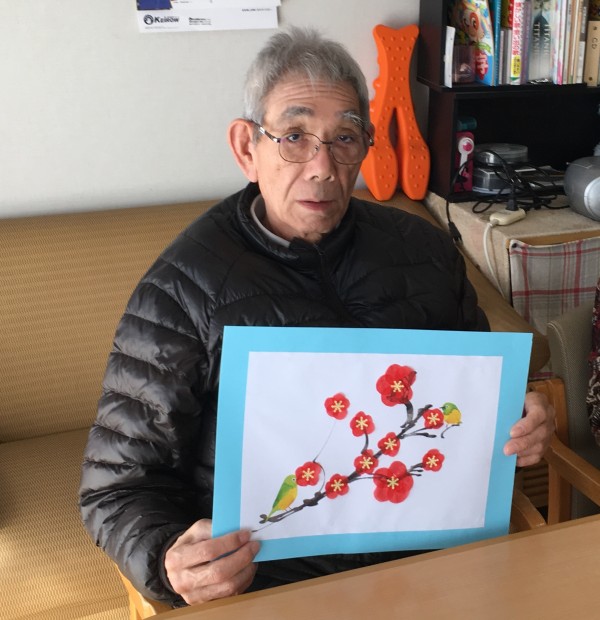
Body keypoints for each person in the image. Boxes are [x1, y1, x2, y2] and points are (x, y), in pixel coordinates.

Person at [79, 27, 555, 608]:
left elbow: (472, 399)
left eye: (344, 137)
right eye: (294, 137)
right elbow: (116, 488)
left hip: (432, 566)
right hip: (271, 583)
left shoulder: (424, 249)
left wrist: (519, 415)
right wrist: (166, 559)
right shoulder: (183, 289)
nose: (323, 167)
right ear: (246, 147)